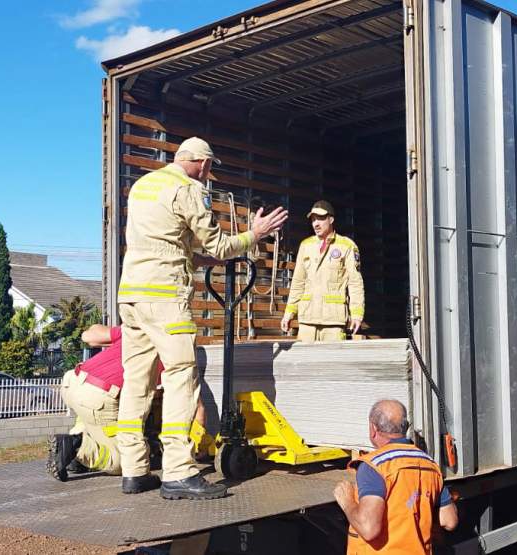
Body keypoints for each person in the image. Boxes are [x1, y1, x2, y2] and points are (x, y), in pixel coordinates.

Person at [117, 136, 287, 500]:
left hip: (131, 295)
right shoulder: (189, 189)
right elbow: (218, 245)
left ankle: (133, 469)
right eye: (209, 170)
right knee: (181, 376)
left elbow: (173, 245)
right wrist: (255, 234)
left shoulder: (144, 185)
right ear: (204, 164)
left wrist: (209, 258)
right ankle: (178, 471)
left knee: (136, 382)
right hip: (165, 298)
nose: (208, 176)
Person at [47, 324, 211, 485]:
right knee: (128, 461)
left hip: (72, 381)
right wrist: (198, 445)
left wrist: (120, 337)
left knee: (96, 417)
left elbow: (88, 336)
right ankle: (77, 448)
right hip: (97, 396)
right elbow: (197, 409)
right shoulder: (178, 358)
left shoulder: (139, 331)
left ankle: (75, 450)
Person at [334, 399, 458, 554]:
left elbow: (368, 528)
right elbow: (449, 521)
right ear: (405, 427)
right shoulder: (430, 465)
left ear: (373, 429)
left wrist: (348, 503)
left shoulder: (374, 466)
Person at [281, 200, 365, 343]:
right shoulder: (306, 245)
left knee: (331, 358)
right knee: (305, 357)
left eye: (320, 218)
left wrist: (357, 314)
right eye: (313, 220)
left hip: (333, 321)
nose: (316, 224)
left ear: (331, 219)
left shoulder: (346, 246)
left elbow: (355, 283)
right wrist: (289, 313)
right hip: (307, 320)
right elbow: (298, 282)